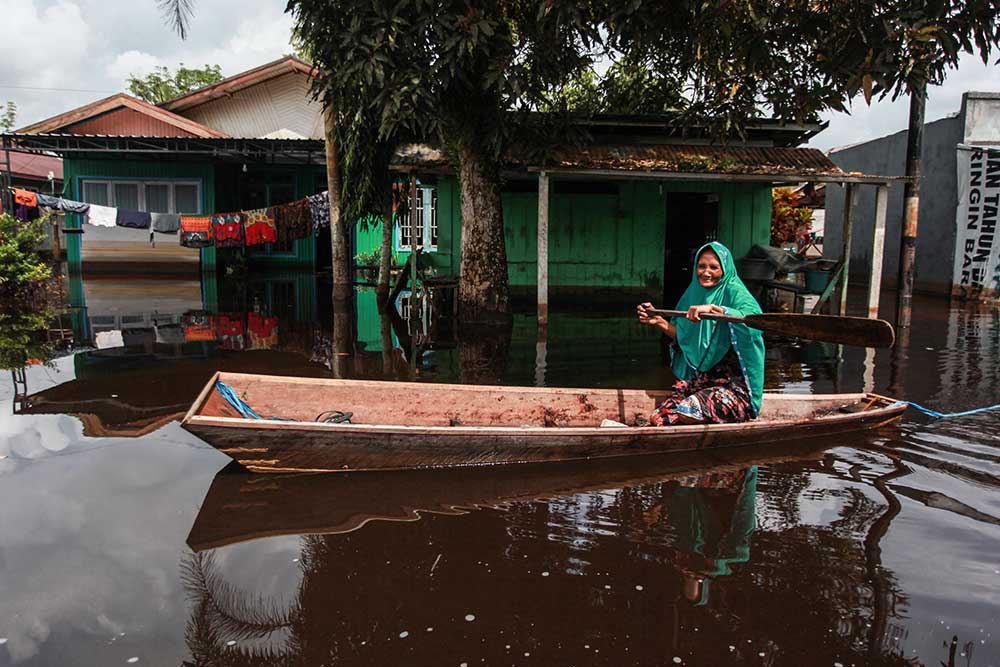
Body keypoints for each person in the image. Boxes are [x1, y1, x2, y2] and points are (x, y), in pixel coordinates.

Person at [637, 241, 765, 426]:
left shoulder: (735, 291)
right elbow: (686, 339)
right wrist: (659, 321)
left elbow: (754, 320)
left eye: (714, 267)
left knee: (688, 411)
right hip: (702, 383)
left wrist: (717, 310)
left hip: (734, 388)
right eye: (701, 266)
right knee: (658, 418)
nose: (706, 272)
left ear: (725, 269)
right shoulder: (693, 293)